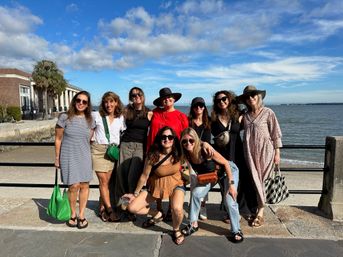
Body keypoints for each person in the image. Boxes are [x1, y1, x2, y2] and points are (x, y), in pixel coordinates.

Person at [123, 126, 186, 245]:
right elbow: (144, 176)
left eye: (170, 137)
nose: (167, 139)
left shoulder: (179, 151)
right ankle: (157, 214)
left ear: (174, 139)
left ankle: (176, 229)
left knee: (177, 209)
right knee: (132, 208)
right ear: (159, 139)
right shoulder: (153, 155)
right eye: (163, 137)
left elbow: (193, 148)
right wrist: (135, 193)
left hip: (176, 185)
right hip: (157, 187)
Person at [180, 127, 243, 243]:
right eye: (184, 141)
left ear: (196, 140)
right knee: (196, 193)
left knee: (230, 200)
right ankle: (193, 224)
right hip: (212, 176)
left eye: (191, 140)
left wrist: (232, 185)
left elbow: (225, 163)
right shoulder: (187, 154)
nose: (188, 143)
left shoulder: (205, 149)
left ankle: (236, 230)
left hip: (228, 171)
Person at [238, 85, 282, 228]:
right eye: (248, 97)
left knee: (262, 181)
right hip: (249, 152)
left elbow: (276, 133)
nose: (251, 98)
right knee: (254, 180)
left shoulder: (268, 113)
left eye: (253, 95)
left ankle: (261, 211)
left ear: (259, 96)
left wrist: (277, 153)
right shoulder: (245, 115)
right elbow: (235, 125)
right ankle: (257, 208)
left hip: (266, 151)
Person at [211, 90, 257, 223]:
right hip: (222, 155)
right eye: (218, 100)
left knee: (242, 182)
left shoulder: (238, 115)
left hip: (238, 152)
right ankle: (227, 211)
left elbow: (251, 114)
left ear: (230, 99)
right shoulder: (213, 118)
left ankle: (244, 210)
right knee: (224, 183)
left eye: (224, 98)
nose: (222, 102)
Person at [55, 91, 95, 229]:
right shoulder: (64, 117)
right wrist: (57, 158)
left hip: (84, 155)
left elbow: (89, 139)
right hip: (68, 155)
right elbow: (58, 139)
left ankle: (82, 215)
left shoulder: (90, 120)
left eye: (84, 101)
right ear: (74, 101)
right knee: (73, 186)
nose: (81, 103)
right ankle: (72, 214)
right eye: (79, 100)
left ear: (88, 104)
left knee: (84, 185)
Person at [146, 87, 189, 220]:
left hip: (174, 154)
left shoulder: (181, 116)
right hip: (154, 153)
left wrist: (185, 157)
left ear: (174, 99)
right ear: (161, 101)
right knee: (155, 180)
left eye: (169, 97)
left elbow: (185, 137)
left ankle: (171, 209)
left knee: (172, 180)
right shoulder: (154, 113)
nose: (167, 100)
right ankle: (159, 209)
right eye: (164, 98)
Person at [115, 87, 153, 220]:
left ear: (143, 96)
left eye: (139, 94)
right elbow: (114, 120)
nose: (136, 96)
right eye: (133, 95)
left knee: (133, 177)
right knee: (121, 177)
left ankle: (131, 208)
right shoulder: (126, 111)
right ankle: (122, 208)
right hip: (125, 145)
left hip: (140, 147)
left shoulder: (149, 113)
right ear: (130, 97)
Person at [91, 91, 125, 222]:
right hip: (99, 151)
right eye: (106, 102)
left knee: (107, 183)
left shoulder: (120, 118)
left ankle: (102, 208)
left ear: (116, 103)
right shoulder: (96, 115)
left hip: (112, 151)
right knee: (103, 182)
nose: (108, 104)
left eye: (111, 101)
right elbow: (89, 131)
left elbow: (124, 133)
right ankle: (110, 210)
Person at [188, 97, 211, 220]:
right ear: (192, 107)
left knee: (204, 181)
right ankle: (194, 206)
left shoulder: (209, 121)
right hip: (191, 157)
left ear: (204, 107)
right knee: (193, 182)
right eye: (196, 105)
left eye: (201, 105)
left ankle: (202, 206)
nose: (199, 108)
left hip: (205, 158)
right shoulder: (188, 122)